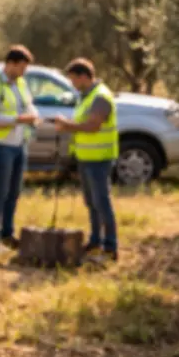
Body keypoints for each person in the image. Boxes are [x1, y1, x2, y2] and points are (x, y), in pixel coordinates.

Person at [54, 57, 119, 262]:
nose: (72, 84)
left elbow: (93, 126)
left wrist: (67, 126)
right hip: (86, 158)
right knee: (91, 203)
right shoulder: (86, 96)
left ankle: (110, 248)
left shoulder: (101, 97)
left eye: (73, 80)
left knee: (102, 202)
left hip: (99, 159)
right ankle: (95, 242)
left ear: (84, 77)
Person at [0, 45, 40, 252]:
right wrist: (19, 119)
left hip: (19, 144)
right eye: (22, 68)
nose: (24, 72)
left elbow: (28, 105)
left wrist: (33, 116)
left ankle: (7, 234)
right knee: (0, 192)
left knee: (14, 192)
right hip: (2, 146)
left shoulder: (20, 83)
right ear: (11, 64)